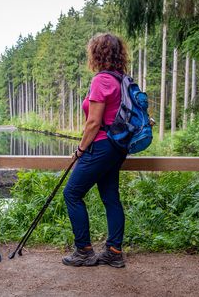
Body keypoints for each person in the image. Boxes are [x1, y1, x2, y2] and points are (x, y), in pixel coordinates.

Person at [62, 33, 128, 268]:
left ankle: (84, 251)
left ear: (97, 54)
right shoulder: (121, 79)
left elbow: (93, 122)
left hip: (100, 146)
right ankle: (113, 251)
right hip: (117, 147)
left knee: (71, 193)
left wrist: (80, 150)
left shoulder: (101, 80)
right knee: (111, 198)